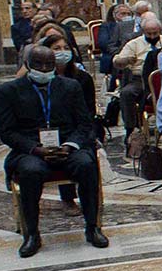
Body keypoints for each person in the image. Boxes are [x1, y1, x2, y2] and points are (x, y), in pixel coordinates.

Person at [0, 46, 108, 257]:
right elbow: (7, 132)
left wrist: (69, 145)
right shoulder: (8, 91)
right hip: (31, 150)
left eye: (49, 65)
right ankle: (32, 234)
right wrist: (37, 150)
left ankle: (93, 227)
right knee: (30, 171)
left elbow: (85, 124)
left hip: (67, 146)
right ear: (28, 64)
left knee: (86, 164)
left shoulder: (70, 87)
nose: (45, 69)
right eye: (39, 65)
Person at [45, 32, 96, 216]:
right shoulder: (42, 81)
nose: (62, 52)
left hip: (79, 129)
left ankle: (90, 203)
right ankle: (67, 197)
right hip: (51, 130)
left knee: (84, 153)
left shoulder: (82, 78)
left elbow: (89, 113)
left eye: (66, 48)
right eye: (57, 49)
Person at [113, 14, 162, 142]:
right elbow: (117, 60)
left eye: (155, 33)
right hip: (139, 79)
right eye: (149, 34)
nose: (152, 37)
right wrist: (127, 60)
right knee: (126, 93)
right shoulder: (134, 44)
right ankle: (131, 128)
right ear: (143, 31)